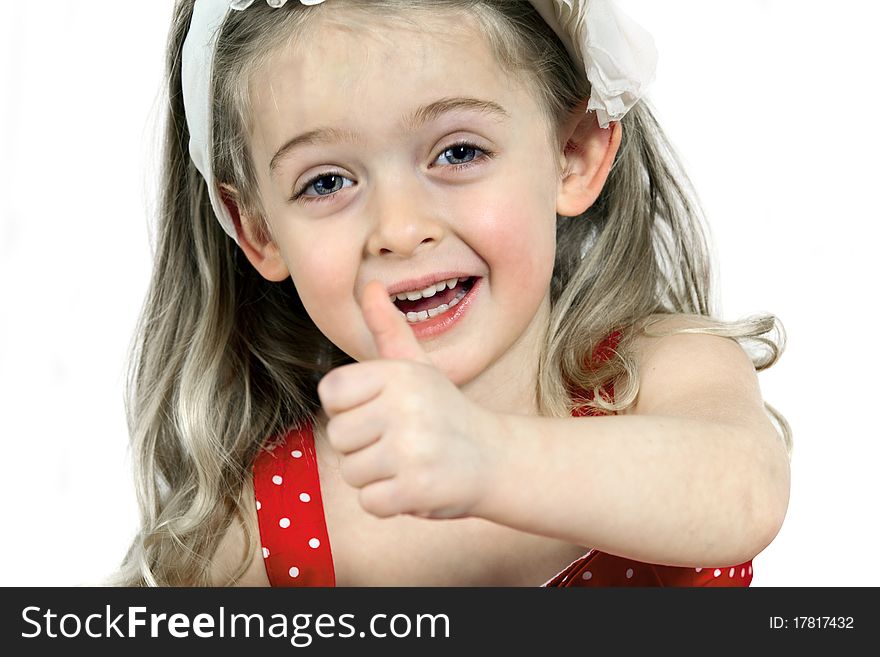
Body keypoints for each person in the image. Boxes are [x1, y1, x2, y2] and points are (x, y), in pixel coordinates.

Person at [113, 0, 792, 587]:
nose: (400, 230)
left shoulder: (660, 375)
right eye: (326, 182)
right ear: (257, 229)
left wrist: (487, 457)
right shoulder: (262, 532)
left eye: (459, 152)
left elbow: (747, 491)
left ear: (575, 153)